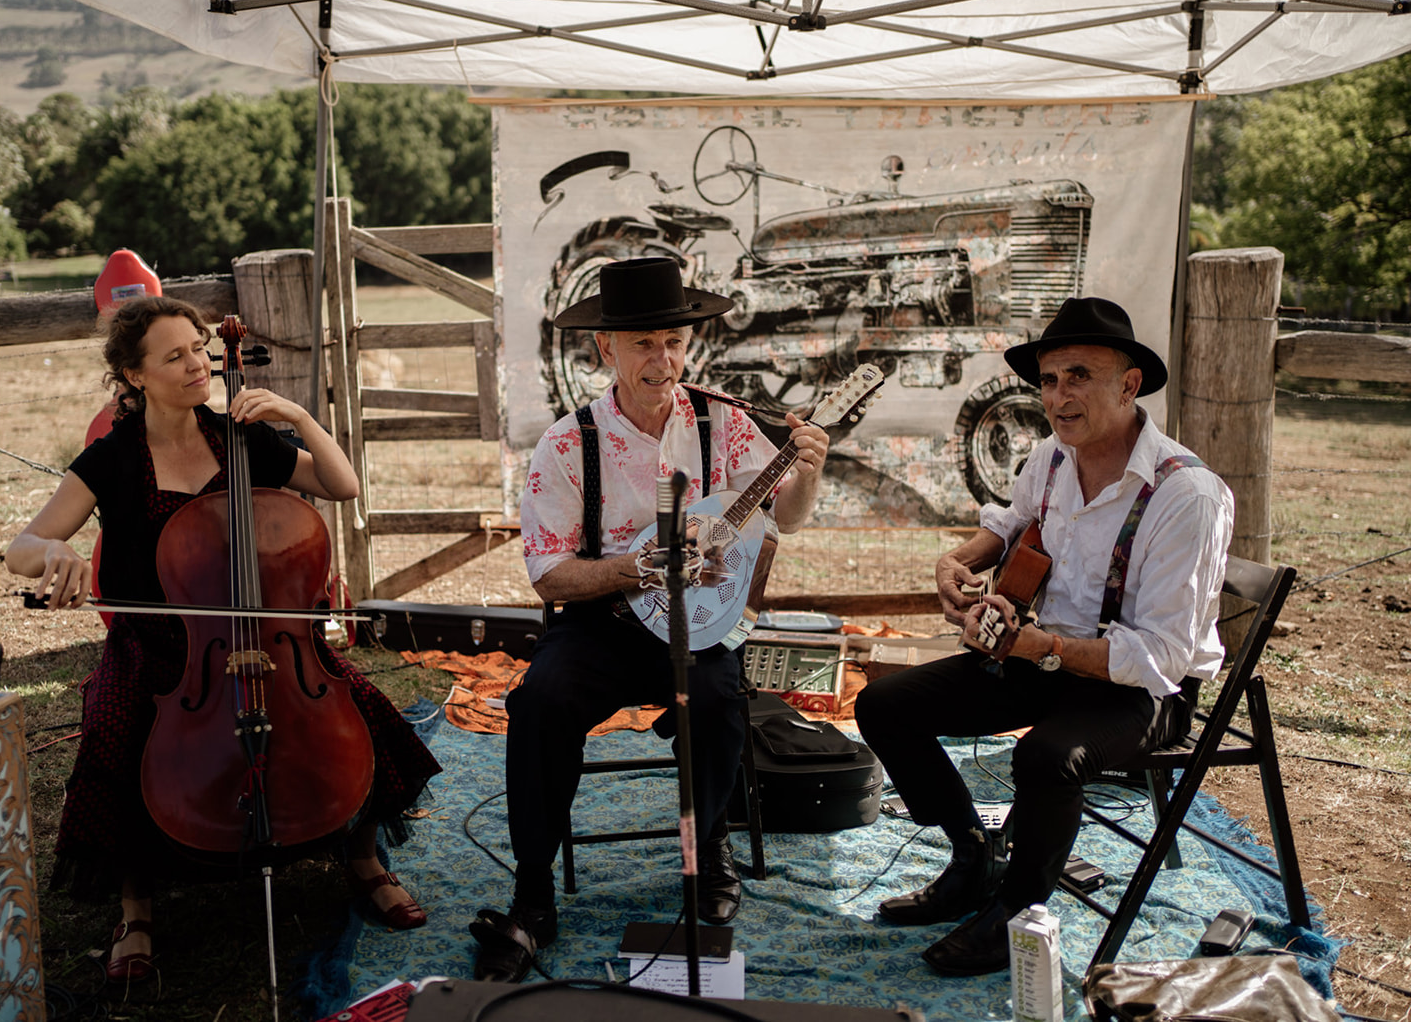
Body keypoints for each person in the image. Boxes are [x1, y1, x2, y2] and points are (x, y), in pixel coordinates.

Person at [5, 296, 441, 983]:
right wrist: (52, 555)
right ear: (134, 375)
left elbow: (341, 484)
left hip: (265, 640)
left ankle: (363, 861)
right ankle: (136, 906)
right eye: (174, 355)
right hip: (159, 649)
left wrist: (297, 418)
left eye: (200, 349)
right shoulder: (113, 459)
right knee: (114, 728)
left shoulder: (240, 437)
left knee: (353, 704)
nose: (196, 364)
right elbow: (23, 549)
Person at [468, 256, 831, 983]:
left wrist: (811, 470)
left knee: (723, 701)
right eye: (643, 345)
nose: (663, 361)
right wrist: (640, 569)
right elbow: (547, 572)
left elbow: (783, 513)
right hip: (599, 623)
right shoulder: (568, 446)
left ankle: (712, 845)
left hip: (695, 625)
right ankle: (533, 891)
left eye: (674, 341)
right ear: (605, 348)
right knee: (538, 702)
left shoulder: (720, 422)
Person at [854, 296, 1235, 976]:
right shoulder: (1053, 457)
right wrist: (959, 562)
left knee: (1045, 758)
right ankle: (973, 855)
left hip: (1141, 691)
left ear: (1129, 384)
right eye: (1050, 379)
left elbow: (1162, 657)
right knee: (884, 705)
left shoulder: (1186, 495)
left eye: (1079, 376)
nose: (1059, 396)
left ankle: (1018, 911)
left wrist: (1036, 648)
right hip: (1043, 659)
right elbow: (1008, 524)